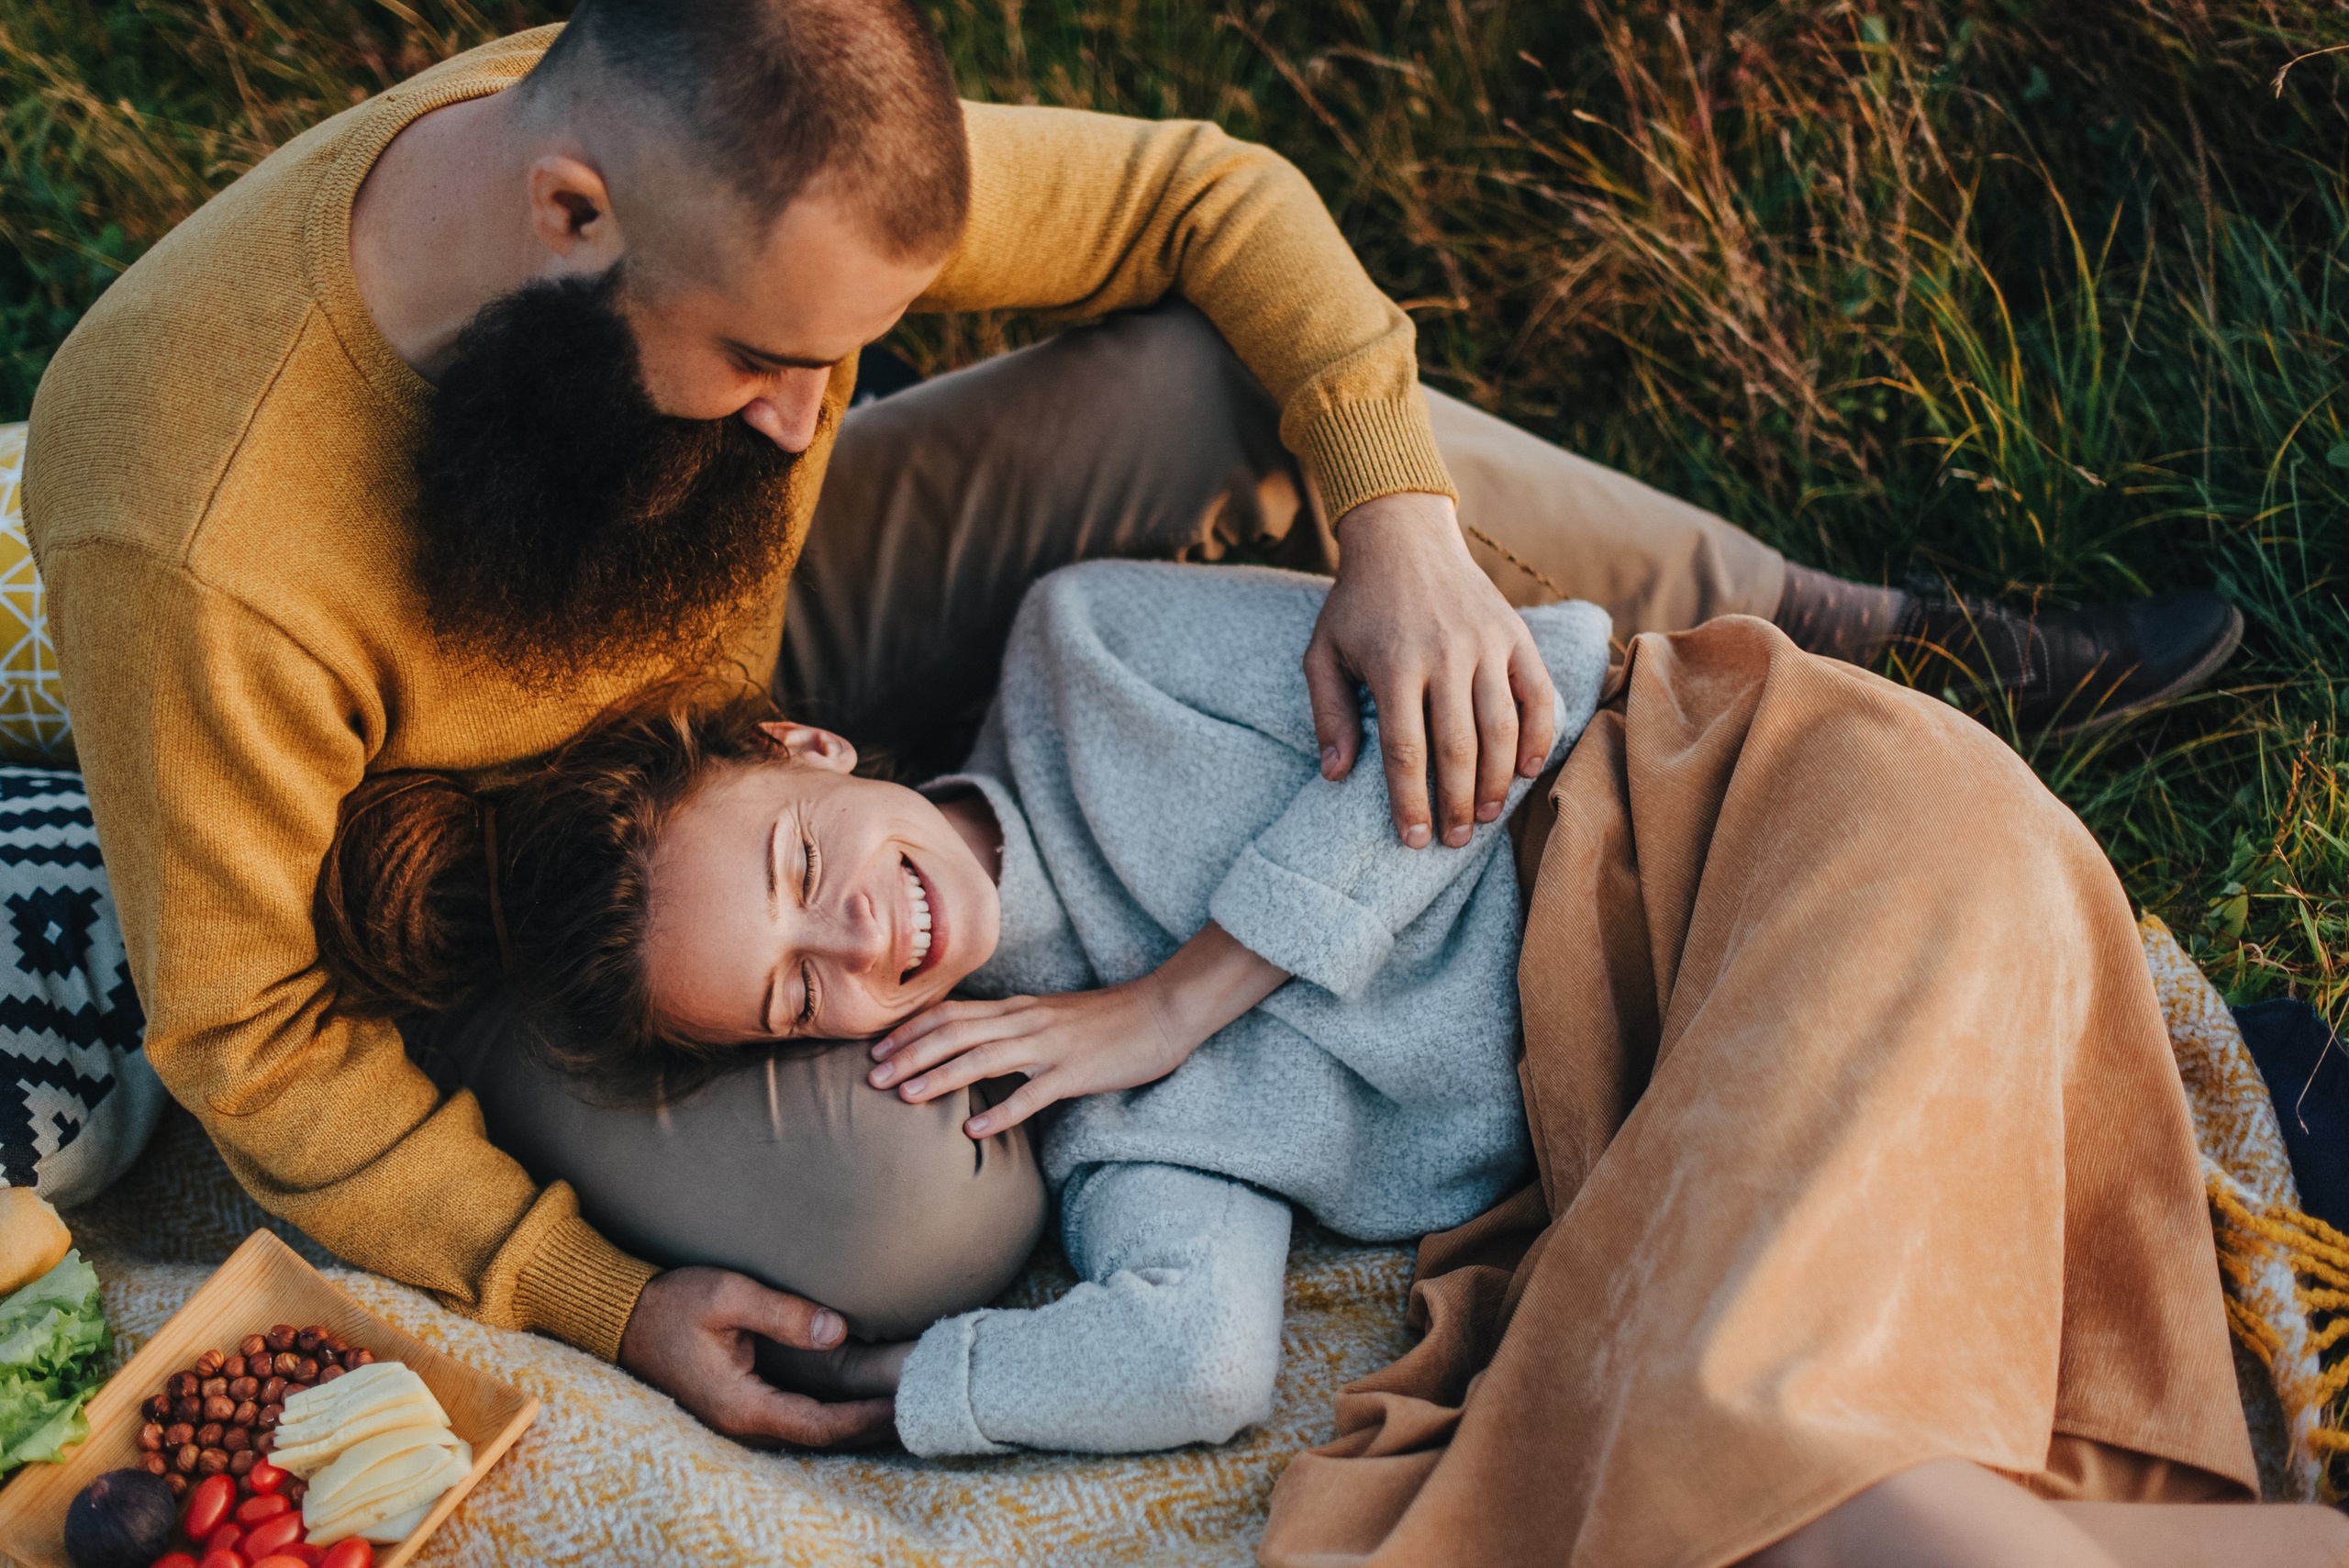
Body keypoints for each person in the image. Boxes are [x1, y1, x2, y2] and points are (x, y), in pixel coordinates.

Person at [20, 0, 2240, 1449]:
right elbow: (262, 1045)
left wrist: (1387, 512)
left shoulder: (727, 165)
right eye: (770, 367)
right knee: (922, 1225)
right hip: (526, 893)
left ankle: (1867, 628)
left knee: (1207, 384)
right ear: (567, 220)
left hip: (744, 718)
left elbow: (1205, 191)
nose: (815, 421)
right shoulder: (192, 513)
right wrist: (590, 1295)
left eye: (848, 358)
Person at [316, 559, 2337, 1567]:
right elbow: (1191, 1358)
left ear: (808, 751)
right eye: (794, 999)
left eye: (800, 870)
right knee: (1759, 1496)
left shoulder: (1081, 653)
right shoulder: (1091, 1131)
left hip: (1769, 833)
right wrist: (908, 1389)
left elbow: (1530, 670)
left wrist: (1184, 988)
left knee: (1726, 1404)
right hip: (1678, 1088)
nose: (857, 940)